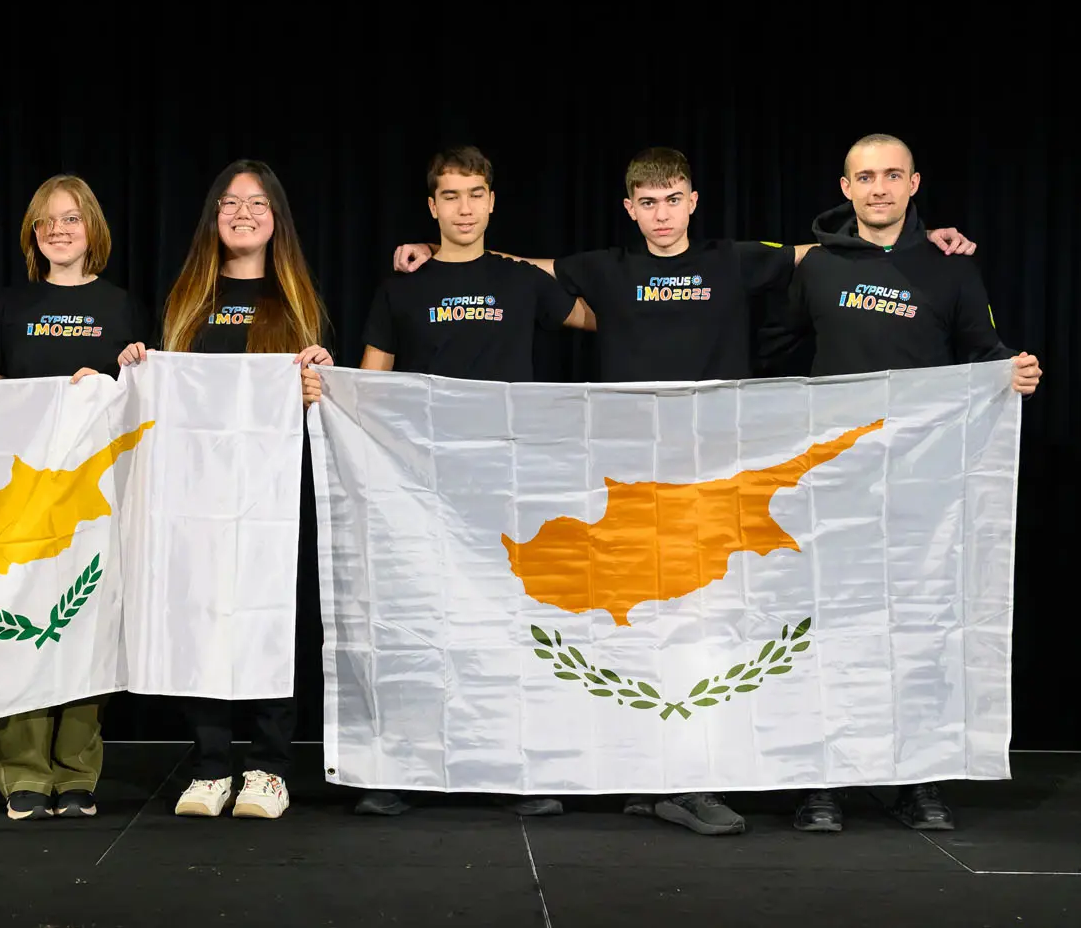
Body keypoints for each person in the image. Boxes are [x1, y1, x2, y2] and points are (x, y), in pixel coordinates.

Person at [389, 147, 976, 835]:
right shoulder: (604, 268)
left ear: (693, 202)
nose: (662, 215)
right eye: (648, 203)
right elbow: (514, 268)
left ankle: (693, 774)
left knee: (708, 625)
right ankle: (647, 778)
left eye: (673, 200)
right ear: (629, 208)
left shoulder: (732, 260)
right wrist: (433, 251)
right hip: (631, 486)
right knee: (632, 622)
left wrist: (922, 239)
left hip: (711, 484)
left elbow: (824, 251)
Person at [757, 133, 1042, 834]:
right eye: (865, 177)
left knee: (919, 629)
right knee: (824, 625)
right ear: (845, 188)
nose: (878, 188)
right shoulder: (819, 267)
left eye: (891, 175)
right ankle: (821, 780)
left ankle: (918, 779)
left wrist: (1014, 370)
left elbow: (985, 352)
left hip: (922, 486)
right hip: (833, 486)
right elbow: (771, 352)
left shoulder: (951, 268)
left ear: (914, 184)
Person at [355, 145, 595, 819]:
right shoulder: (401, 288)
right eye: (451, 196)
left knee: (509, 620)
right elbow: (369, 386)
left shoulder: (522, 281)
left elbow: (608, 316)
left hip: (507, 483)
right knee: (419, 621)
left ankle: (521, 766)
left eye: (476, 194)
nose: (464, 208)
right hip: (424, 487)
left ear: (493, 202)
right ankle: (401, 767)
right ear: (432, 206)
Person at [122, 159, 331, 821]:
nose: (243, 213)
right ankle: (211, 763)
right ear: (213, 217)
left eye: (257, 202)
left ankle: (268, 766)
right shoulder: (187, 302)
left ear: (277, 219)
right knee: (201, 614)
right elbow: (164, 400)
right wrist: (137, 367)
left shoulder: (299, 302)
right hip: (197, 493)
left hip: (273, 497)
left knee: (271, 617)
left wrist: (320, 378)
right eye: (230, 203)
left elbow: (324, 402)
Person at [0, 173, 151, 822]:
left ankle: (76, 772)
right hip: (20, 495)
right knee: (18, 627)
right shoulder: (9, 306)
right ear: (33, 234)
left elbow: (141, 406)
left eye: (71, 218)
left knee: (84, 626)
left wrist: (126, 372)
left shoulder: (122, 306)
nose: (58, 230)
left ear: (92, 229)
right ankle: (24, 773)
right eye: (46, 221)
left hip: (92, 499)